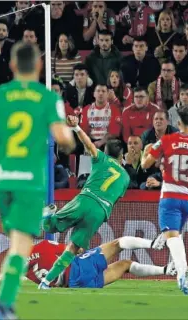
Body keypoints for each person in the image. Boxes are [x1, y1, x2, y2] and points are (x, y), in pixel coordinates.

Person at [0, 42, 75, 320]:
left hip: (1, 180)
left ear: (13, 66)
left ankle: (6, 295)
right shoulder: (47, 98)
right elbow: (63, 138)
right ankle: (3, 307)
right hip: (28, 180)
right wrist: (68, 137)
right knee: (20, 244)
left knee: (15, 241)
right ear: (39, 66)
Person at [38, 115, 130, 290]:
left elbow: (89, 145)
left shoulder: (101, 158)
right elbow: (116, 197)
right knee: (73, 248)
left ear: (106, 150)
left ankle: (47, 215)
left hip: (85, 199)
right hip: (100, 211)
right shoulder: (125, 176)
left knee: (49, 227)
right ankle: (45, 282)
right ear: (122, 156)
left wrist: (77, 128)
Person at [141, 107, 188, 295]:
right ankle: (179, 267)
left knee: (172, 237)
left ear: (178, 124)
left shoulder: (165, 140)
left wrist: (146, 152)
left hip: (170, 198)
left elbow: (144, 164)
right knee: (175, 235)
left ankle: (182, 273)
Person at [0, 237, 174, 288]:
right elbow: (75, 250)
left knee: (124, 265)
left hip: (78, 285)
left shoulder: (19, 264)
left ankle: (166, 269)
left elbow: (0, 282)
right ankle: (156, 249)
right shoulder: (44, 245)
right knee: (118, 244)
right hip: (79, 268)